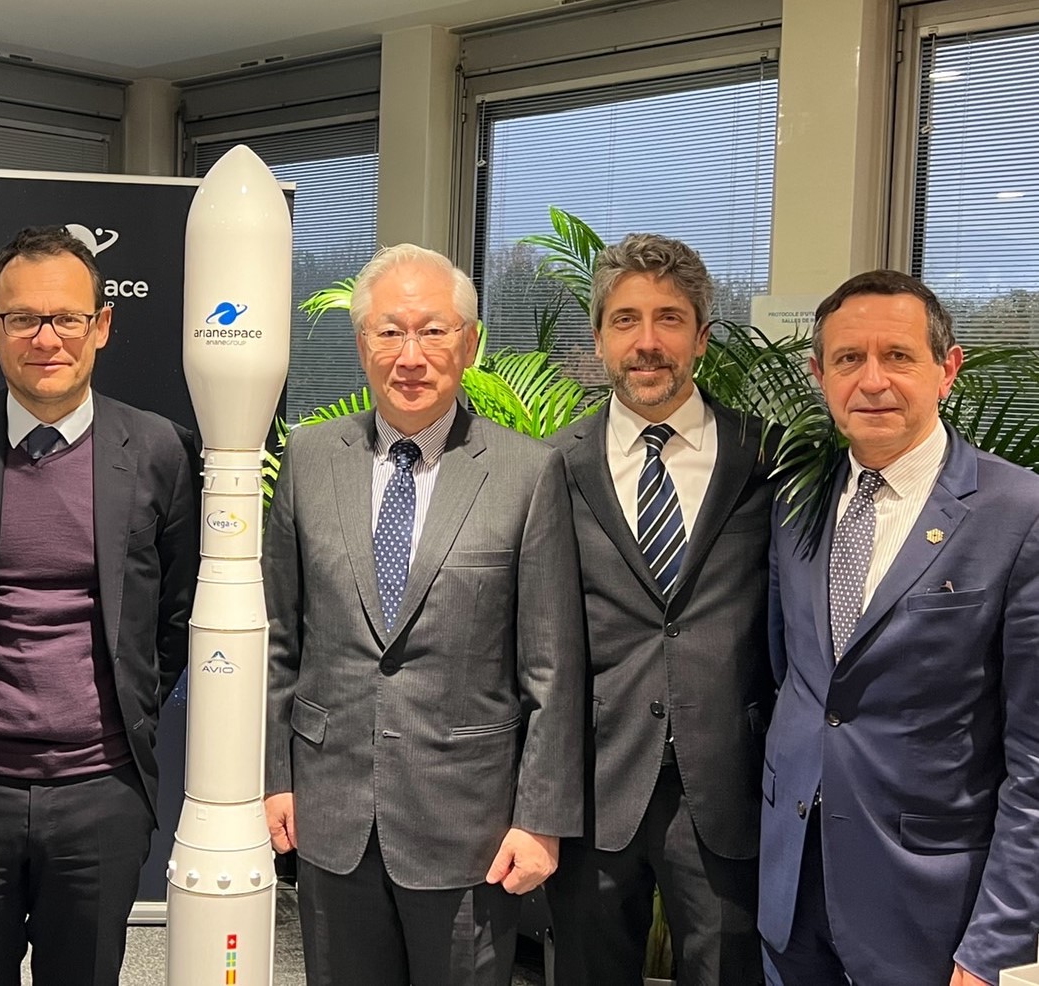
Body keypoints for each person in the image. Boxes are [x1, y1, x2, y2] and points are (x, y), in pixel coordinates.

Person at [0, 225, 199, 986]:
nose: (46, 338)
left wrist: (122, 716)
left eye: (67, 318)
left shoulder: (160, 450)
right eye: (23, 318)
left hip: (102, 792)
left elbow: (175, 614)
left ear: (102, 325)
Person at [262, 243, 584, 986]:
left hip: (467, 825)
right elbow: (280, 637)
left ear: (468, 344)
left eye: (433, 331)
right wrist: (276, 776)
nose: (410, 356)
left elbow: (551, 667)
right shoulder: (310, 458)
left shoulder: (526, 472)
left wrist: (539, 820)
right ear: (362, 344)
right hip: (331, 813)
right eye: (389, 331)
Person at [760, 270, 1039, 986]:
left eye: (898, 356)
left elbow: (1034, 760)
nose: (872, 380)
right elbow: (795, 677)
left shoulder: (1018, 513)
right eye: (849, 359)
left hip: (930, 916)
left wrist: (993, 945)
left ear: (948, 369)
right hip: (792, 894)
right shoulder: (794, 500)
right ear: (819, 375)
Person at [544, 233, 774, 985]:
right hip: (592, 785)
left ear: (701, 337)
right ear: (598, 339)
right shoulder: (553, 465)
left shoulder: (766, 458)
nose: (647, 342)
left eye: (669, 319)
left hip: (727, 785)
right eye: (626, 320)